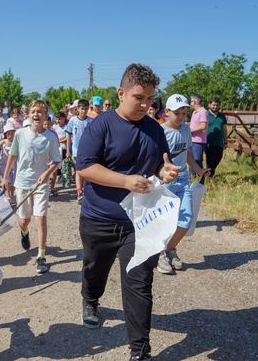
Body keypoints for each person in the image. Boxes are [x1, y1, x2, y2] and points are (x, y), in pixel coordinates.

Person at [75, 63, 180, 361]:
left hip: (139, 222)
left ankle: (140, 352)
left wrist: (166, 170)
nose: (146, 105)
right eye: (139, 98)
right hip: (100, 219)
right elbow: (84, 166)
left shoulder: (154, 128)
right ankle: (90, 298)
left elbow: (160, 163)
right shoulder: (102, 125)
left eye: (150, 99)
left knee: (138, 285)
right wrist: (124, 181)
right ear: (121, 93)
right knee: (95, 270)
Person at [1, 100, 61, 274]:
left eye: (40, 112)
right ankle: (24, 232)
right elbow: (12, 156)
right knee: (24, 220)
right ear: (28, 115)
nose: (36, 115)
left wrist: (46, 174)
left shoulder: (50, 136)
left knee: (40, 218)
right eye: (33, 112)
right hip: (22, 183)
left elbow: (57, 160)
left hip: (41, 184)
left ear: (45, 116)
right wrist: (5, 178)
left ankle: (41, 255)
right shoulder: (20, 134)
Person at [156, 94, 210, 275]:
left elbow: (187, 153)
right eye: (177, 113)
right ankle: (160, 254)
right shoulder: (160, 132)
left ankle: (170, 248)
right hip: (165, 183)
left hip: (183, 181)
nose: (181, 117)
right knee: (164, 222)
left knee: (186, 221)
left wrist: (199, 169)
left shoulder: (186, 129)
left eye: (184, 113)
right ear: (167, 112)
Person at [64, 99, 92, 204]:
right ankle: (79, 192)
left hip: (88, 150)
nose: (84, 111)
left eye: (86, 109)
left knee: (86, 171)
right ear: (78, 109)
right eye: (82, 109)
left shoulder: (91, 121)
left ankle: (85, 190)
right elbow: (68, 134)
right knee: (78, 171)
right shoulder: (73, 120)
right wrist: (68, 150)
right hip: (76, 150)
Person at [205, 97, 228, 177]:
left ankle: (209, 173)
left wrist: (225, 141)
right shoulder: (206, 115)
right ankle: (209, 176)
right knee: (210, 160)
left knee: (218, 158)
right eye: (213, 105)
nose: (215, 107)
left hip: (219, 142)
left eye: (217, 105)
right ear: (209, 105)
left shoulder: (222, 116)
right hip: (208, 142)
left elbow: (224, 129)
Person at [0, 123, 17, 199]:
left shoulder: (16, 142)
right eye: (8, 134)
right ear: (5, 134)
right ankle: (8, 194)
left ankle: (12, 194)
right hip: (5, 164)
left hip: (14, 164)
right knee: (7, 180)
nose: (10, 135)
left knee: (13, 181)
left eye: (12, 133)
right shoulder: (4, 141)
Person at [189, 94, 208, 171]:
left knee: (197, 160)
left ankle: (201, 176)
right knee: (191, 159)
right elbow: (194, 124)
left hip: (198, 140)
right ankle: (191, 176)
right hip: (192, 139)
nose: (190, 103)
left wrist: (190, 130)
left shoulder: (203, 112)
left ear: (195, 102)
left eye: (191, 101)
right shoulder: (195, 112)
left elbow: (203, 126)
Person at [50, 112, 68, 195]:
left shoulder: (66, 127)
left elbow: (68, 138)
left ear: (64, 118)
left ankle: (65, 180)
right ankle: (55, 181)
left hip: (63, 148)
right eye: (57, 119)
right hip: (56, 149)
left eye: (60, 119)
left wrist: (60, 140)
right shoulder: (54, 127)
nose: (58, 120)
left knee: (64, 166)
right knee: (55, 166)